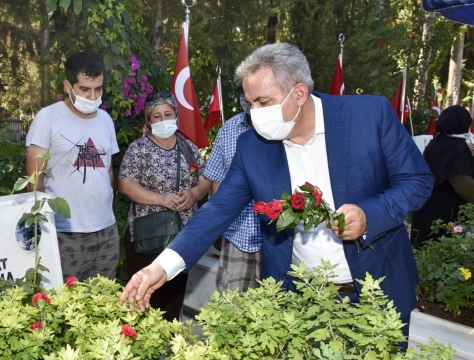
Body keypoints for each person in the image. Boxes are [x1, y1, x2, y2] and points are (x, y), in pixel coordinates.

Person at [120, 43, 433, 350]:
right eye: (249, 103)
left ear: (298, 93)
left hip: (377, 294)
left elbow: (416, 180)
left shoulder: (368, 116)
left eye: (262, 102)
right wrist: (160, 267)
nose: (254, 114)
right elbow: (216, 213)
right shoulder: (252, 147)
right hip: (298, 303)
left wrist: (368, 216)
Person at [26, 51, 119, 281]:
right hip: (65, 234)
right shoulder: (48, 118)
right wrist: (48, 237)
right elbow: (34, 183)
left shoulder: (106, 121)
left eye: (98, 89)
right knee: (65, 309)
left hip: (106, 232)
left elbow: (108, 171)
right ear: (68, 86)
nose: (93, 95)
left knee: (104, 304)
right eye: (85, 89)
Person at [118, 90, 210, 321]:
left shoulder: (189, 148)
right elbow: (125, 185)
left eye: (168, 114)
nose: (163, 120)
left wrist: (193, 193)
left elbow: (205, 180)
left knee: (173, 297)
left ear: (176, 116)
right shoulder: (139, 149)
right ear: (149, 121)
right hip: (146, 236)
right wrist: (161, 199)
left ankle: (168, 349)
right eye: (156, 116)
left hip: (181, 237)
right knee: (142, 296)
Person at [204, 86, 262, 292]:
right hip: (237, 234)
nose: (251, 104)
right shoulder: (229, 129)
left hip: (276, 238)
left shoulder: (282, 128)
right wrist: (216, 226)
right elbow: (217, 181)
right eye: (246, 98)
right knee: (231, 307)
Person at [411, 105, 474, 248]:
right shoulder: (456, 148)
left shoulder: (438, 142)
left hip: (427, 207)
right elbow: (463, 184)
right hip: (445, 212)